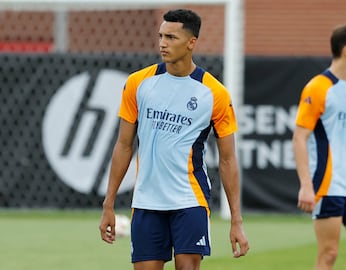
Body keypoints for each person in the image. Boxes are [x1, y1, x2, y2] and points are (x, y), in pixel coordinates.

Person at [99, 8, 249, 270]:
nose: (162, 43)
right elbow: (124, 145)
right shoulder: (138, 83)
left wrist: (236, 220)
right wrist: (108, 203)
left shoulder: (214, 94)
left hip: (190, 200)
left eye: (170, 37)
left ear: (191, 42)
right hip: (146, 202)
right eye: (160, 36)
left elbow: (227, 159)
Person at [293, 24, 346, 270]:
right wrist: (306, 186)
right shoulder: (318, 87)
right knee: (329, 254)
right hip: (328, 184)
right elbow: (299, 137)